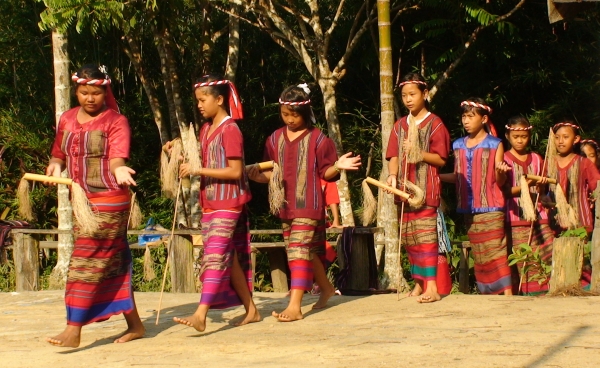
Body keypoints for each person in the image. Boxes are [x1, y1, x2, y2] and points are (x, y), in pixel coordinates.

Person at [45, 64, 145, 347]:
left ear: (105, 92)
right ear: (76, 91)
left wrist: (120, 170)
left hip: (110, 200)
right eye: (84, 92)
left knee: (85, 262)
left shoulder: (116, 121)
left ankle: (73, 328)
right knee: (114, 264)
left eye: (96, 93)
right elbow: (58, 154)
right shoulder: (66, 119)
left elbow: (116, 159)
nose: (89, 98)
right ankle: (136, 325)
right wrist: (54, 166)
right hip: (82, 204)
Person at [247, 84, 361, 322]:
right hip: (285, 206)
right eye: (285, 114)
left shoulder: (319, 140)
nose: (289, 119)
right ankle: (327, 289)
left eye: (294, 115)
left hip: (309, 204)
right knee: (305, 252)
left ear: (306, 113)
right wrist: (256, 175)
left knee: (298, 252)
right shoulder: (274, 139)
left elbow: (326, 172)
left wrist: (338, 166)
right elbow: (273, 173)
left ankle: (295, 305)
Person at [172, 75, 260, 331]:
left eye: (203, 99)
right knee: (226, 255)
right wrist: (175, 152)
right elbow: (204, 160)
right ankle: (251, 310)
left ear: (219, 99)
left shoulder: (231, 130)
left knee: (213, 256)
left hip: (228, 202)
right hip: (210, 202)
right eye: (197, 100)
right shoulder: (206, 129)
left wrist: (198, 170)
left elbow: (235, 171)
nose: (199, 105)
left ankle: (201, 314)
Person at [385, 73, 451, 303]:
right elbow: (392, 155)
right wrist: (392, 177)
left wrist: (417, 151)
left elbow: (441, 159)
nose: (408, 99)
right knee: (410, 238)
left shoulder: (435, 123)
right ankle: (419, 283)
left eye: (412, 94)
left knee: (425, 237)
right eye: (404, 96)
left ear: (425, 94)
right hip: (404, 190)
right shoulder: (399, 125)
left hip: (426, 190)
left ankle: (432, 286)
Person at [440, 98, 513, 295]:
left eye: (471, 116)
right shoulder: (457, 145)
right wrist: (435, 178)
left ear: (484, 119)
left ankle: (506, 294)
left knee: (496, 251)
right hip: (468, 208)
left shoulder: (494, 143)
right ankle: (486, 294)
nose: (466, 120)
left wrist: (500, 171)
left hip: (491, 206)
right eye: (464, 116)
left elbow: (500, 181)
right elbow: (457, 176)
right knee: (480, 254)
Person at [503, 116, 554, 295]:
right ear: (508, 136)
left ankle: (549, 292)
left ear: (529, 136)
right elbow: (505, 192)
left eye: (523, 136)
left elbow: (544, 188)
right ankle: (528, 295)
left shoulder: (537, 159)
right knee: (523, 260)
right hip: (516, 218)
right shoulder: (504, 159)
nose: (519, 140)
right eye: (516, 136)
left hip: (540, 216)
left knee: (548, 254)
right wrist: (527, 185)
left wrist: (541, 186)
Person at [543, 122, 600, 234]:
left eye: (565, 137)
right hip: (555, 222)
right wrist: (543, 197)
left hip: (581, 221)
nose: (560, 141)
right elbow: (541, 191)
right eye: (557, 137)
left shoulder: (584, 163)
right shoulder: (548, 163)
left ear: (576, 139)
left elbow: (597, 188)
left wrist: (593, 198)